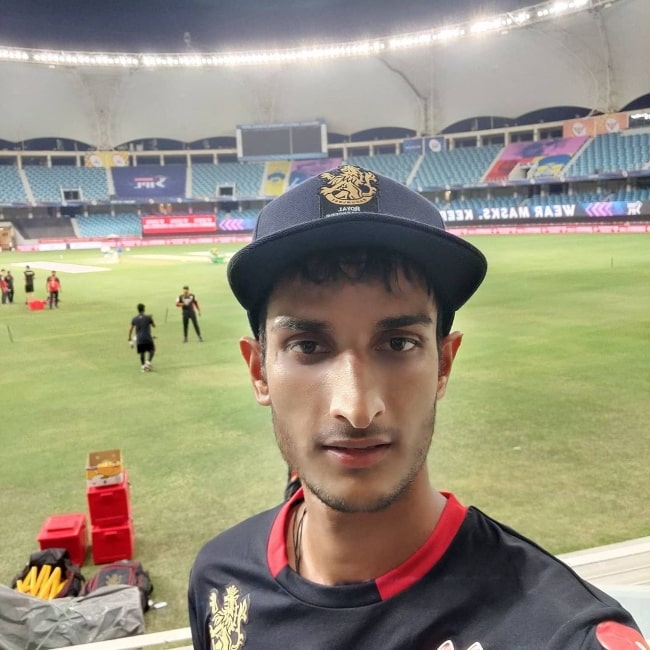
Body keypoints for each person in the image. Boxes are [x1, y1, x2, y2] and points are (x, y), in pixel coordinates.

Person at [188, 165, 646, 650]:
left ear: (444, 365)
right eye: (307, 346)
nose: (357, 409)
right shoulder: (219, 579)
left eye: (399, 343)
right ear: (259, 370)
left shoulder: (561, 634)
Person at [128, 303, 156, 372]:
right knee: (152, 350)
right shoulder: (148, 317)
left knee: (142, 352)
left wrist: (129, 339)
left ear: (138, 310)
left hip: (139, 339)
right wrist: (151, 319)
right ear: (144, 309)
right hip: (147, 338)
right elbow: (154, 325)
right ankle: (148, 362)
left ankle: (143, 366)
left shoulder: (134, 319)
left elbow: (130, 329)